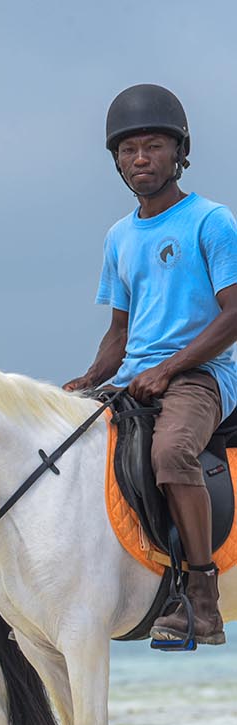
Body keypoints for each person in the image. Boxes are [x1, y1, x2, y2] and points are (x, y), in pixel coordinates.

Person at [64, 83, 237, 646]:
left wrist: (170, 369)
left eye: (153, 147)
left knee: (170, 451)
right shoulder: (119, 236)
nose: (141, 159)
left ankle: (203, 601)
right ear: (115, 161)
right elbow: (119, 332)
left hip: (204, 376)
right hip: (134, 375)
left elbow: (234, 315)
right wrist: (90, 380)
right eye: (129, 150)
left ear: (179, 152)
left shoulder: (211, 221)